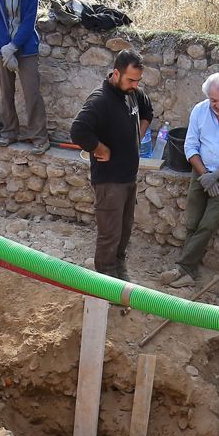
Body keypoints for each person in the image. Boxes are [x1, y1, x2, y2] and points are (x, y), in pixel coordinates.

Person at [160, 73, 219, 289]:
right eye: (214, 101)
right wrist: (204, 175)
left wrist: (216, 176)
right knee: (192, 221)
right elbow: (190, 146)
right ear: (208, 97)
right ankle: (188, 271)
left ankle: (182, 268)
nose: (218, 105)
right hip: (201, 170)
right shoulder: (199, 111)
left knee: (208, 223)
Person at [70, 49, 153, 281]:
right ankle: (106, 281)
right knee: (110, 235)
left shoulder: (134, 93)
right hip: (109, 182)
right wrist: (99, 148)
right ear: (116, 73)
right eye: (130, 80)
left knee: (125, 230)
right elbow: (77, 130)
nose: (135, 85)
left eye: (138, 80)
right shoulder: (100, 101)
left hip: (128, 178)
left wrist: (136, 136)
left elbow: (148, 112)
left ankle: (119, 269)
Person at [0, 0, 49, 155]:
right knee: (6, 92)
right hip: (2, 47)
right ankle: (10, 132)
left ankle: (40, 137)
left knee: (31, 93)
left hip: (26, 47)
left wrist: (15, 47)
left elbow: (28, 21)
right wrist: (6, 49)